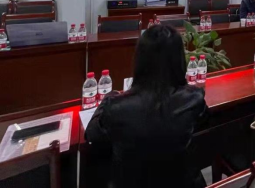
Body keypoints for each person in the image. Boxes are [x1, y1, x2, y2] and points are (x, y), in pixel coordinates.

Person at [86, 25, 208, 188]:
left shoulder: (116, 107)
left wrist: (108, 98)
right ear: (179, 60)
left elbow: (91, 135)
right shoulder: (193, 98)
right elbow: (205, 121)